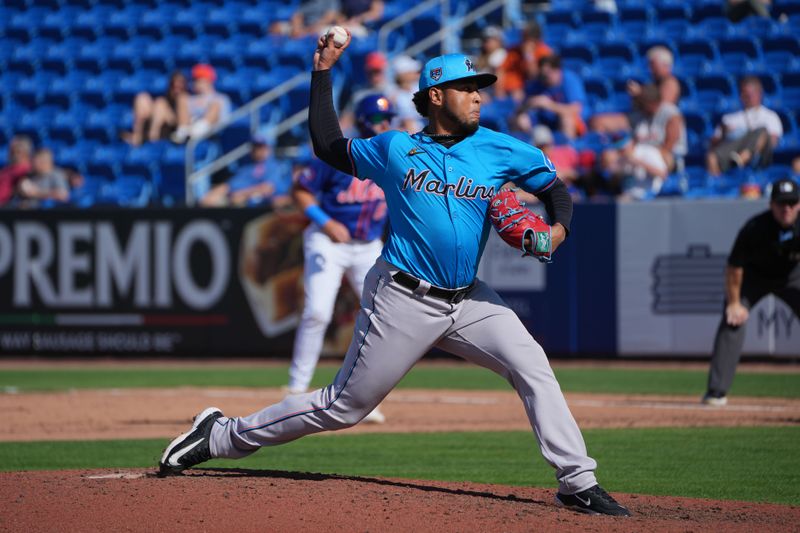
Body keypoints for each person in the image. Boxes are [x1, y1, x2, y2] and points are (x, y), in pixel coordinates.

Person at [159, 34, 630, 517]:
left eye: (480, 87)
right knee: (343, 406)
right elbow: (327, 145)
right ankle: (222, 433)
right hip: (403, 296)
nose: (477, 95)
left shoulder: (503, 149)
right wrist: (322, 72)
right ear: (435, 95)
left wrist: (556, 233)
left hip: (468, 300)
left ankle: (577, 480)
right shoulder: (395, 148)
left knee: (533, 367)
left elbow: (557, 193)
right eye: (466, 86)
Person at [285, 94, 396, 426]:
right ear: (363, 122)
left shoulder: (396, 155)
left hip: (367, 246)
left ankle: (363, 395)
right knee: (317, 311)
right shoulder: (340, 154)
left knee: (382, 317)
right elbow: (300, 190)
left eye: (388, 119)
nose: (385, 125)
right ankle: (295, 389)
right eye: (378, 120)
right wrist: (326, 220)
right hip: (328, 240)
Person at [703, 178, 800, 406]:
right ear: (771, 205)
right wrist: (735, 302)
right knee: (733, 320)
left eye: (792, 202)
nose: (786, 208)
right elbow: (734, 267)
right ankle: (716, 392)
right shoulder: (755, 228)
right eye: (781, 203)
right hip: (754, 278)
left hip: (792, 277)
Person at [600, 85, 686, 199]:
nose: (642, 104)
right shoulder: (641, 114)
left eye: (645, 102)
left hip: (666, 155)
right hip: (641, 152)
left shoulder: (669, 112)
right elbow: (633, 138)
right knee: (610, 156)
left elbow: (670, 144)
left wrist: (641, 158)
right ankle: (614, 188)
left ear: (653, 102)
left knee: (649, 157)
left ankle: (645, 190)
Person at [707, 76, 783, 177]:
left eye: (748, 95)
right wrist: (725, 133)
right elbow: (713, 144)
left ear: (759, 94)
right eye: (742, 94)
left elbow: (773, 141)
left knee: (762, 131)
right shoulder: (729, 118)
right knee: (711, 157)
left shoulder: (770, 116)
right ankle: (717, 186)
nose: (744, 97)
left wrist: (750, 140)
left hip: (758, 158)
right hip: (731, 151)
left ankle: (743, 157)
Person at [200, 136, 291, 208]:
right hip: (239, 205)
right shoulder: (246, 167)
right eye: (255, 147)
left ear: (270, 148)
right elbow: (229, 186)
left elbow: (267, 188)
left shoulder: (277, 166)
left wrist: (242, 195)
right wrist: (212, 195)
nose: (258, 150)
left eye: (261, 146)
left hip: (264, 206)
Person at [516, 54, 588, 140]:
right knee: (522, 120)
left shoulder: (569, 80)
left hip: (572, 122)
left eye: (548, 73)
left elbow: (576, 109)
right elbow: (522, 106)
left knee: (566, 119)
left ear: (558, 71)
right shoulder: (538, 82)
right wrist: (531, 102)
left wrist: (549, 105)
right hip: (543, 121)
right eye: (543, 74)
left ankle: (567, 149)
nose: (545, 76)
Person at [124, 71, 188, 146]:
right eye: (174, 84)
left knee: (160, 104)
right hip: (157, 121)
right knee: (142, 98)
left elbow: (183, 121)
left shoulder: (185, 99)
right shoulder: (166, 98)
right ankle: (137, 135)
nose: (177, 87)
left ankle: (153, 138)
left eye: (180, 84)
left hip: (174, 128)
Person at [171, 64, 231, 144]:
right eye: (195, 80)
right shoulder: (189, 98)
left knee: (215, 105)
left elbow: (224, 120)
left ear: (208, 80)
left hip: (210, 131)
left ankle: (197, 130)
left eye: (199, 79)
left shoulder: (220, 98)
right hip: (189, 126)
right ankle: (183, 131)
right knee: (182, 99)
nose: (196, 83)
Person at [496, 20, 552, 102]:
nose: (522, 40)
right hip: (510, 90)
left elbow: (533, 76)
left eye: (526, 37)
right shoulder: (514, 50)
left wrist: (528, 55)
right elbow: (500, 71)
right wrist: (499, 91)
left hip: (533, 91)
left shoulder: (544, 52)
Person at [387, 55, 423, 133]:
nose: (416, 73)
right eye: (411, 71)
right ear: (402, 75)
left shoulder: (420, 89)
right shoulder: (391, 94)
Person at [0, 135, 33, 207]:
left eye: (18, 152)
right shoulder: (6, 169)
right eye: (12, 152)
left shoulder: (29, 169)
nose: (14, 155)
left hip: (10, 208)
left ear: (26, 153)